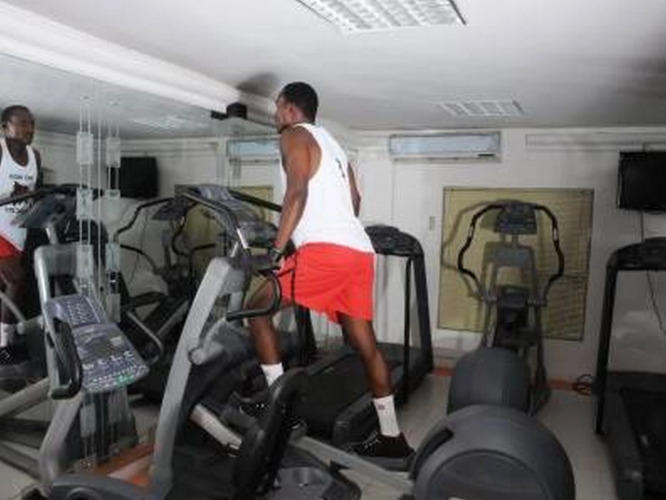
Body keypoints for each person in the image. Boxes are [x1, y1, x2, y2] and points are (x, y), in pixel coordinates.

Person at [245, 82, 413, 460]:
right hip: (359, 252)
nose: (275, 115)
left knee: (257, 310)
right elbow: (354, 199)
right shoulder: (335, 146)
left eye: (277, 107)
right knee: (365, 343)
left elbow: (297, 192)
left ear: (290, 109)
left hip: (327, 251)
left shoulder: (292, 135)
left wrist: (276, 251)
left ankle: (279, 411)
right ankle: (392, 437)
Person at [0, 105, 40, 348]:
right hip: (0, 231)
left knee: (7, 286)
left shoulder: (35, 156)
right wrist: (9, 196)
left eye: (32, 123)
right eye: (23, 123)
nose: (30, 128)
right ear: (5, 127)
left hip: (19, 233)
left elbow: (35, 193)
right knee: (15, 279)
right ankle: (4, 341)